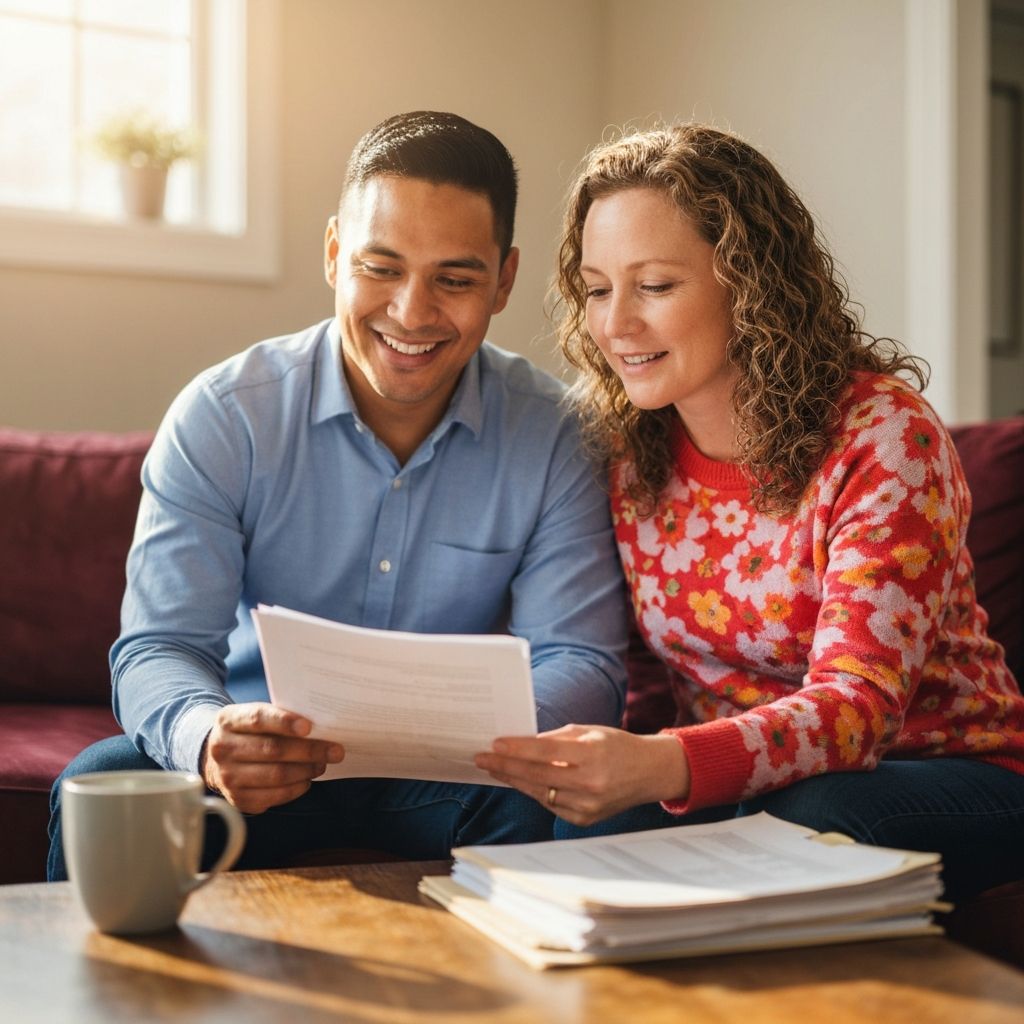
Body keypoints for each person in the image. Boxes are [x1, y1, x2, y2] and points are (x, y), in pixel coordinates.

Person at [47, 111, 628, 880]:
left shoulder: (555, 433)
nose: (412, 312)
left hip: (457, 773)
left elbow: (581, 660)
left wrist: (485, 740)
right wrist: (210, 738)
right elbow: (160, 648)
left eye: (454, 280)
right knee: (104, 779)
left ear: (504, 281)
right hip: (263, 763)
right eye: (381, 268)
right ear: (333, 254)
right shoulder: (225, 415)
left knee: (551, 809)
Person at [475, 123, 1024, 903]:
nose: (615, 324)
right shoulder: (629, 449)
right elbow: (645, 679)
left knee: (815, 815)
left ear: (751, 283)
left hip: (945, 770)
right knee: (591, 827)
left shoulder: (884, 436)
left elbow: (859, 710)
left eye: (654, 286)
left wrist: (663, 763)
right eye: (597, 289)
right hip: (740, 784)